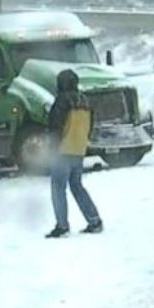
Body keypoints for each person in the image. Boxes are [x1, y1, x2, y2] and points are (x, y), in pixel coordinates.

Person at [45, 69, 103, 238]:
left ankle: (62, 226)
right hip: (79, 149)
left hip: (62, 150)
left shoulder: (62, 101)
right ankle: (94, 220)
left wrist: (52, 148)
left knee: (58, 188)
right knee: (77, 187)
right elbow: (90, 126)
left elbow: (55, 127)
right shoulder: (86, 101)